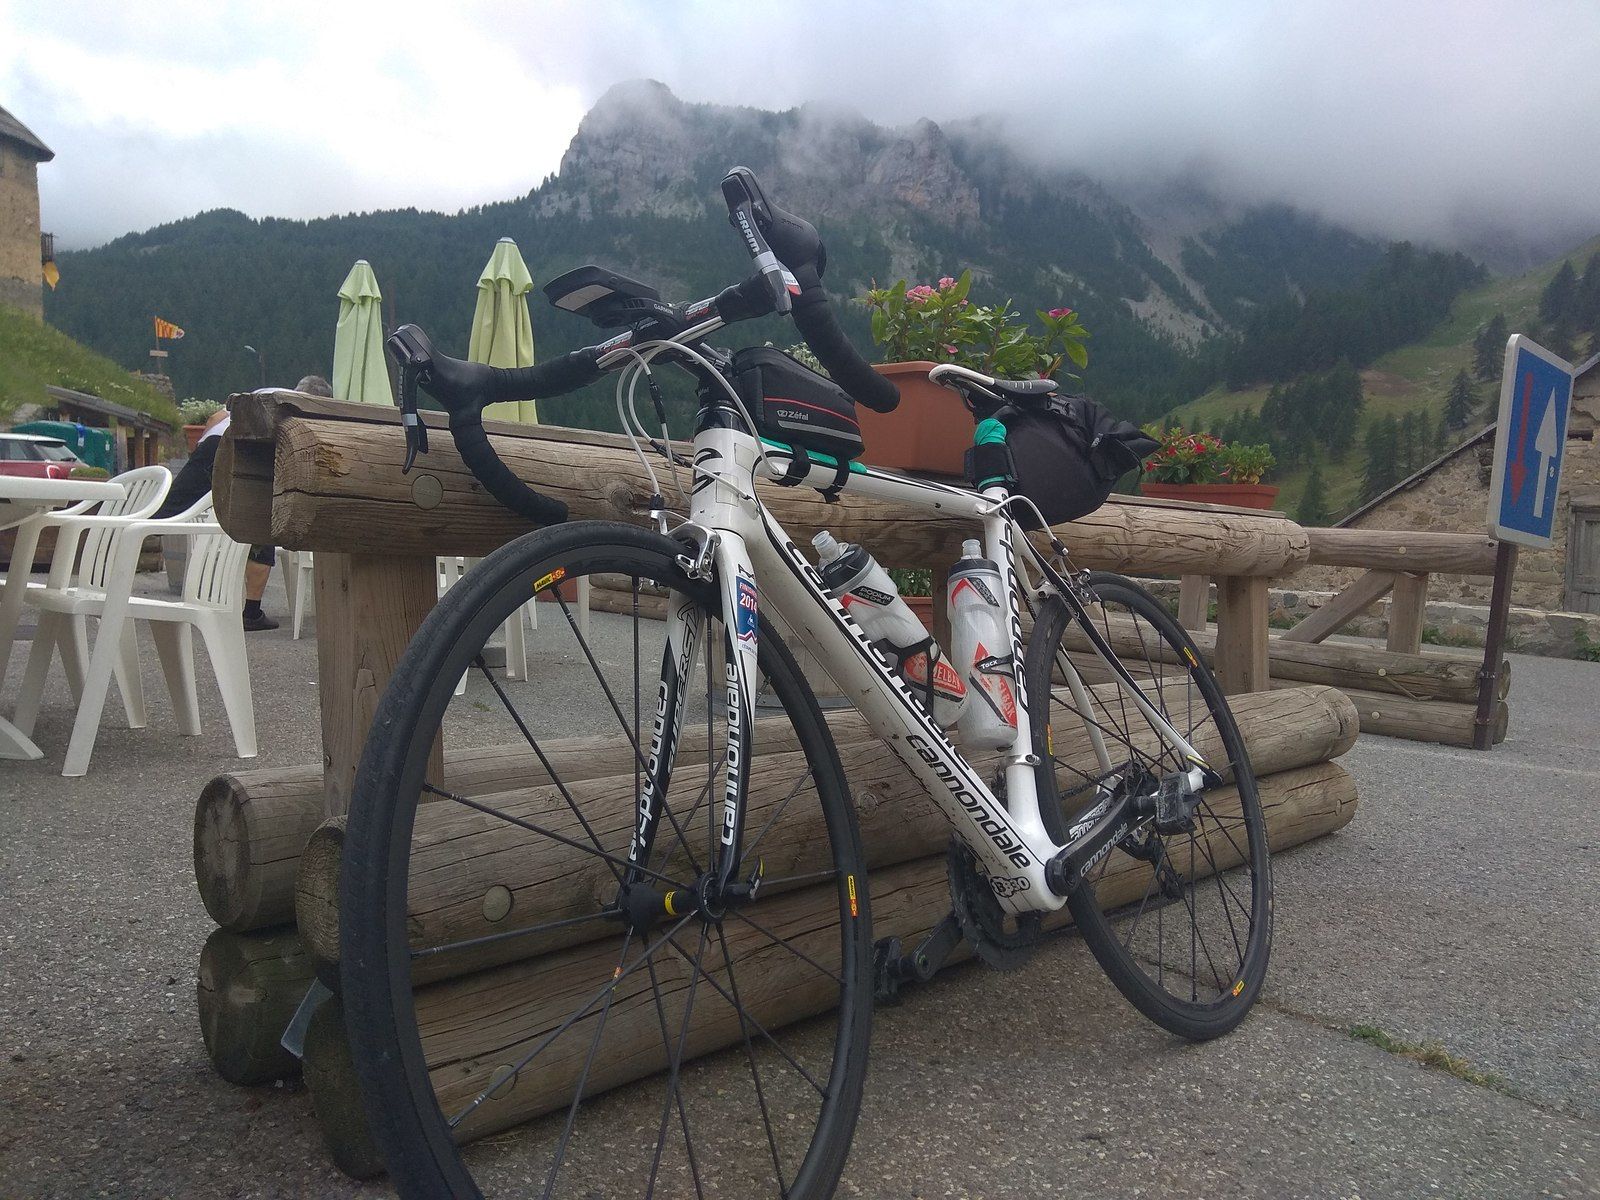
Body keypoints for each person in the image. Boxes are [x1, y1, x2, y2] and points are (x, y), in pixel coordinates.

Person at [155, 375, 333, 631]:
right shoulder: (301, 410)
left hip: (214, 442)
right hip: (248, 454)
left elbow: (216, 418)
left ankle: (120, 548)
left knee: (167, 511)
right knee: (264, 525)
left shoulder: (267, 390)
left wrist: (206, 447)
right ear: (318, 399)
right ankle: (251, 612)